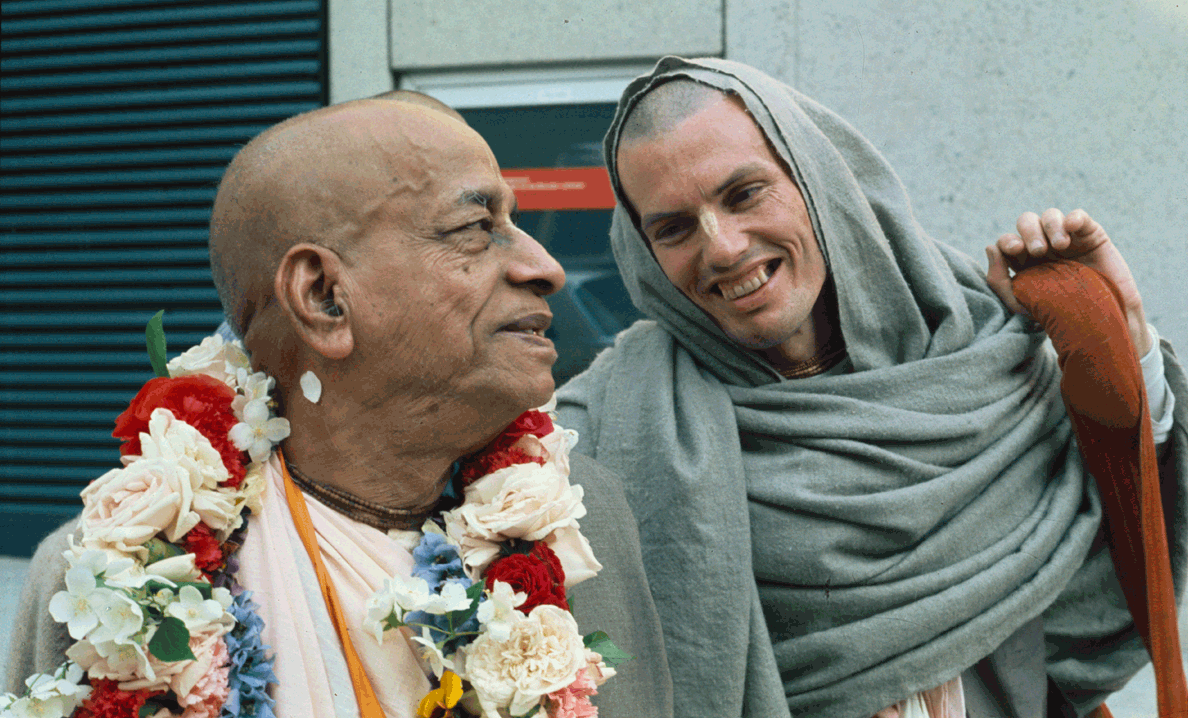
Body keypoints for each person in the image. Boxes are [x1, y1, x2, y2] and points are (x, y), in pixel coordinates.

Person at [556, 56, 1186, 718]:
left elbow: (1129, 550)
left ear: (818, 180)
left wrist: (1119, 332)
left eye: (744, 195)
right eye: (674, 228)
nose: (722, 248)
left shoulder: (987, 351)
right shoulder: (601, 429)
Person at [6, 98, 674, 716]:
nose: (545, 266)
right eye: (476, 227)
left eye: (514, 223)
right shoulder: (118, 572)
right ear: (324, 297)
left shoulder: (577, 520)